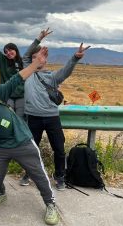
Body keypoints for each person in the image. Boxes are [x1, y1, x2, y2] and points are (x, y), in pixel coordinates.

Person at [0, 47, 61, 226]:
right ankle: (1, 193)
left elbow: (17, 78)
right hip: (0, 146)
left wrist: (35, 63)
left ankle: (50, 204)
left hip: (21, 140)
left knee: (38, 174)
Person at [22, 38, 90, 190]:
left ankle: (60, 176)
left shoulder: (52, 77)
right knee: (32, 149)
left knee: (59, 149)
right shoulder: (27, 73)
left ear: (45, 60)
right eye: (34, 57)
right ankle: (29, 173)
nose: (37, 60)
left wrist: (75, 58)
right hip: (33, 118)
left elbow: (66, 71)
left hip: (52, 117)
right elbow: (25, 57)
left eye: (40, 57)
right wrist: (37, 41)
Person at [0, 25, 52, 118]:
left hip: (22, 96)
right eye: (6, 52)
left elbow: (32, 52)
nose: (8, 53)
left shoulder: (24, 62)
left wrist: (39, 38)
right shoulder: (2, 61)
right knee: (9, 117)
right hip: (8, 95)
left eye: (10, 50)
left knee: (21, 118)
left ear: (16, 50)